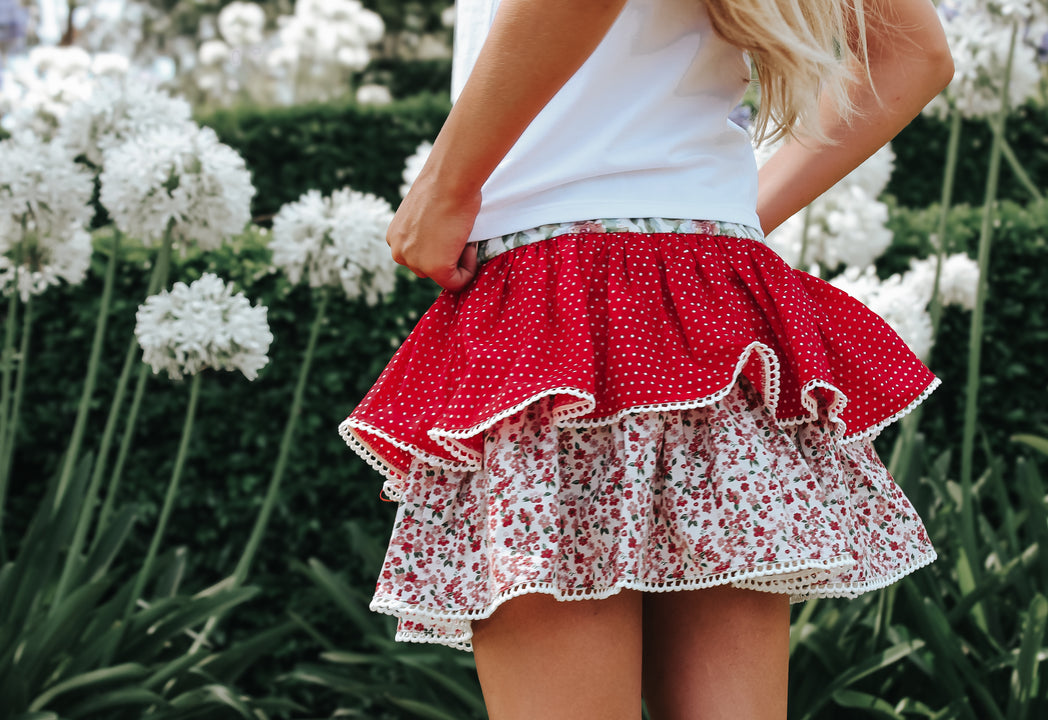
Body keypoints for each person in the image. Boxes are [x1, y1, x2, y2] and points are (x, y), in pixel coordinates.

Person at [339, 0, 954, 717]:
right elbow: (916, 53)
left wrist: (446, 184)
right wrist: (722, 219)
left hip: (559, 298)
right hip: (715, 298)